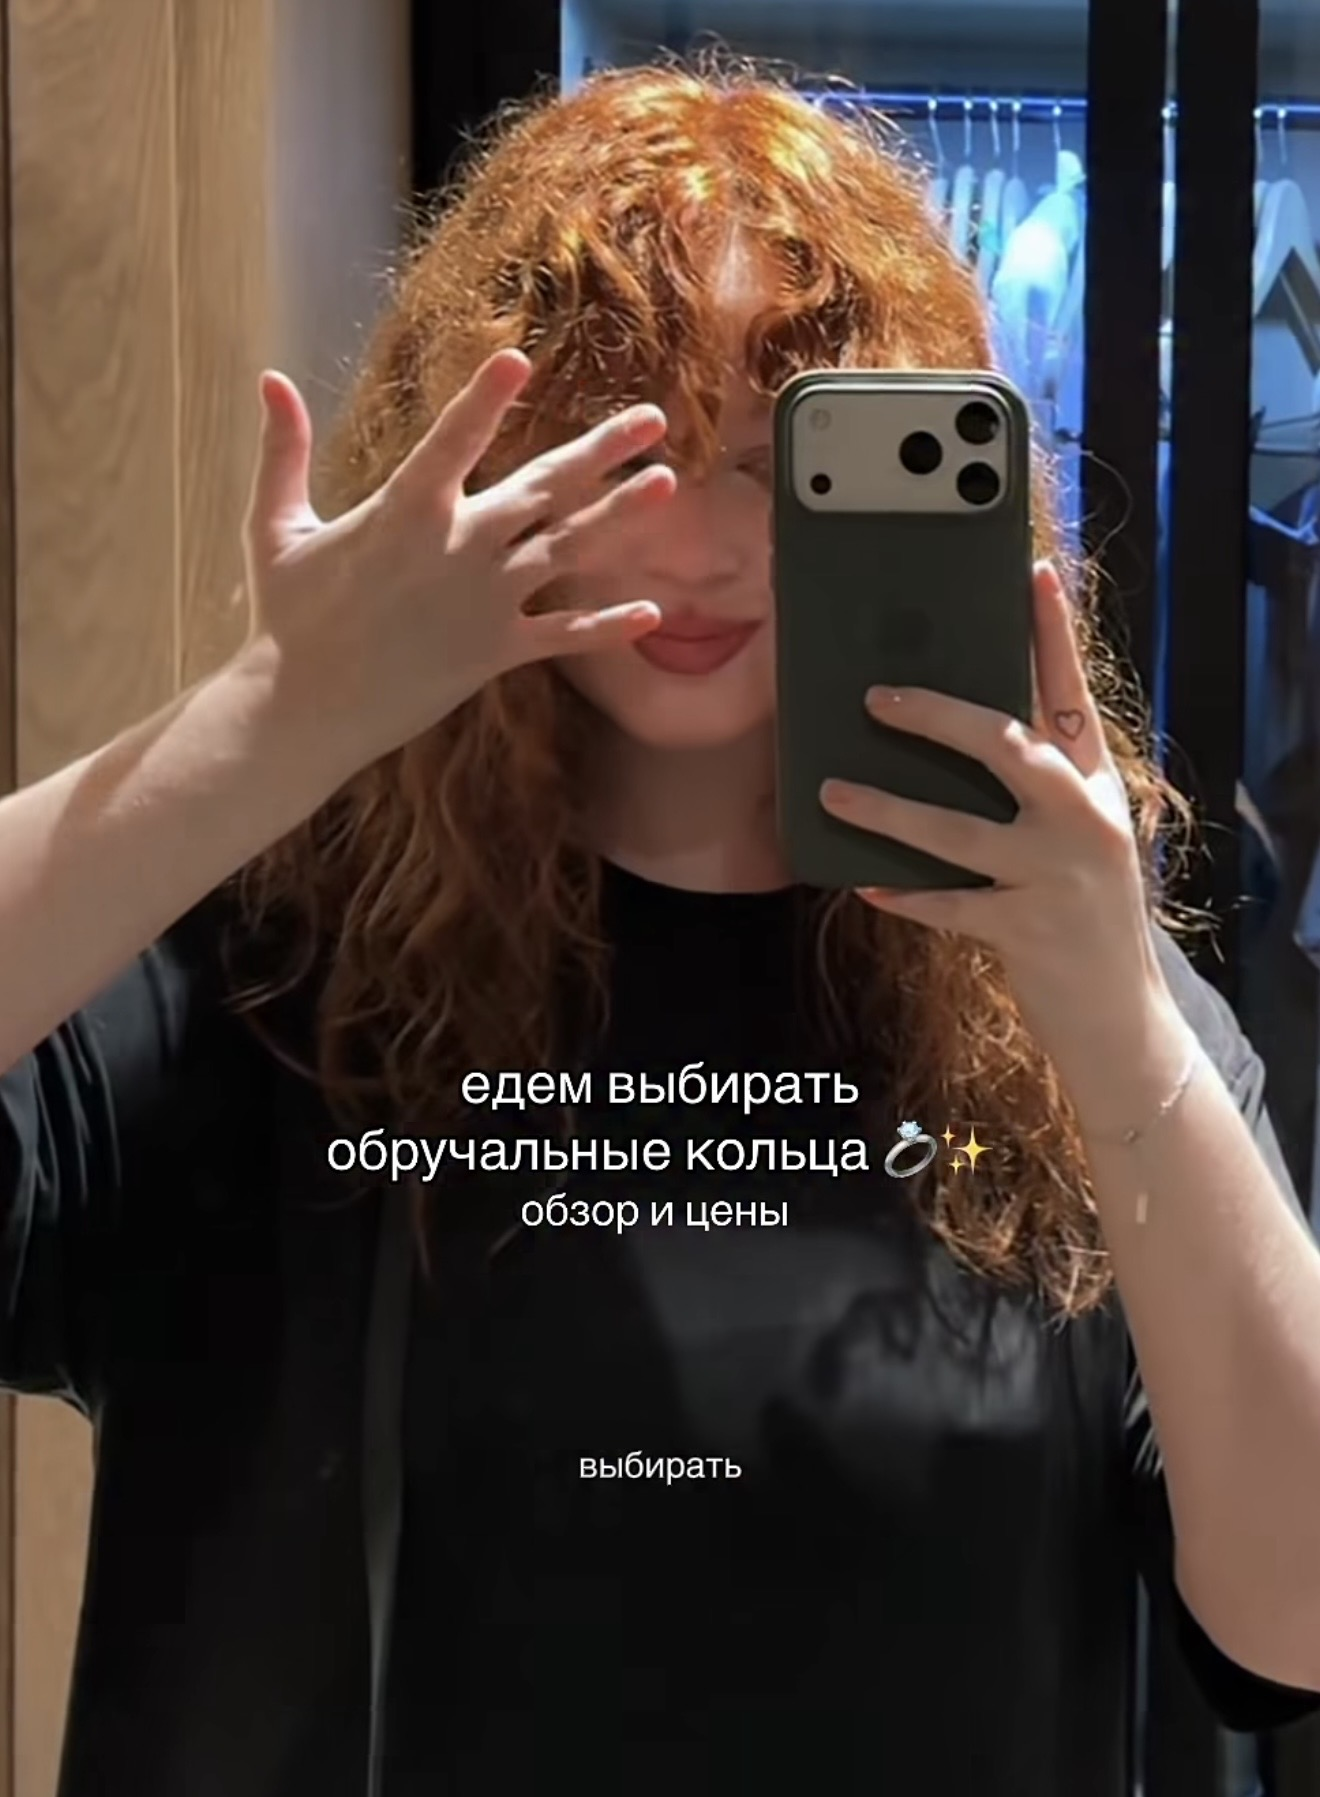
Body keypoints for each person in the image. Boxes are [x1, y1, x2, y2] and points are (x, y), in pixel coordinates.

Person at [2, 53, 1320, 1797]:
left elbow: (1296, 1618)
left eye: (783, 464)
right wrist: (275, 721)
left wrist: (1114, 1018)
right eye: (624, 450)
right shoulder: (256, 965)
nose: (697, 547)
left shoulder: (1064, 993)